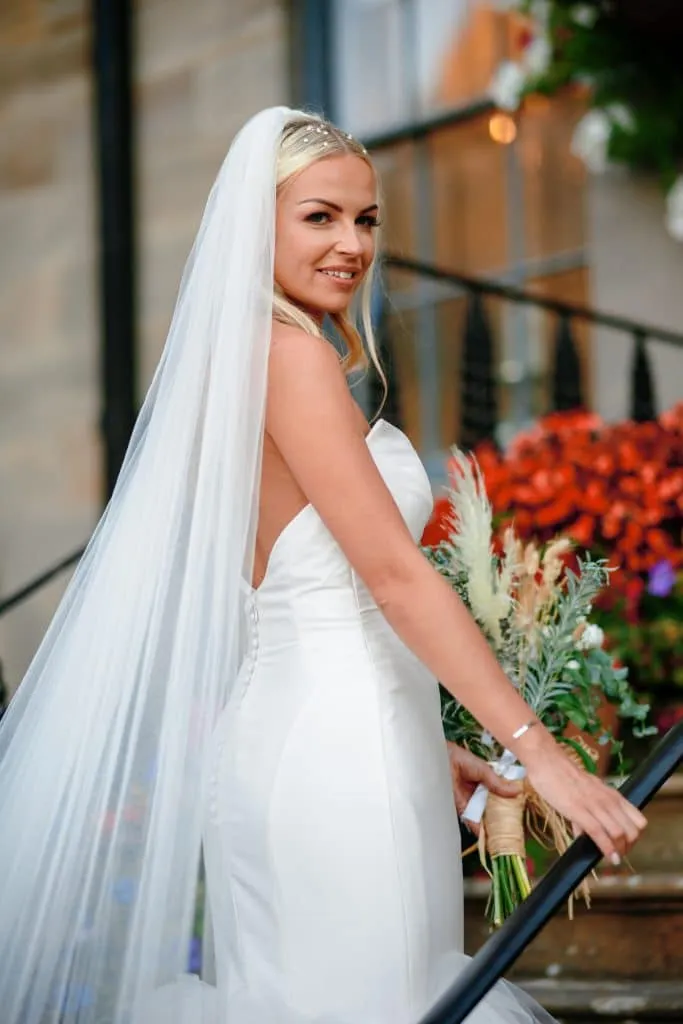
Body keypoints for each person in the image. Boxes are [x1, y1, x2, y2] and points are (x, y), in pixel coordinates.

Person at [0, 107, 645, 1024]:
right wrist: (539, 757)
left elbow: (309, 601)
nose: (352, 243)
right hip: (337, 767)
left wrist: (437, 745)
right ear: (252, 226)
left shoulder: (258, 366)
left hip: (333, 747)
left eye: (367, 219)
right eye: (319, 216)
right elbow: (391, 576)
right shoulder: (290, 360)